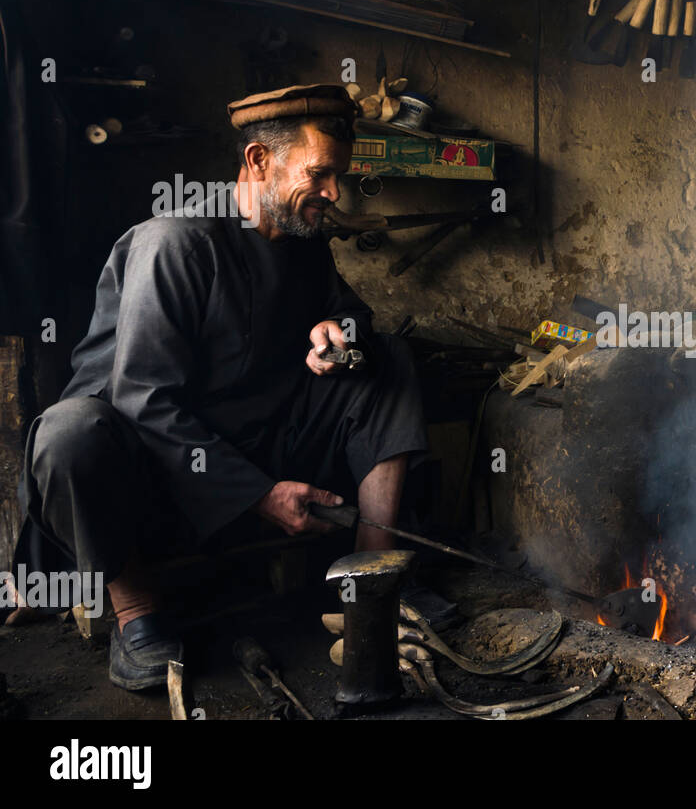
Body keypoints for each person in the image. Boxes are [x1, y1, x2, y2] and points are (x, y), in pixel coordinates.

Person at [17, 84, 434, 689]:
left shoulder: (301, 240)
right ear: (259, 161)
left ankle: (369, 585)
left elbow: (354, 319)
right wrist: (261, 494)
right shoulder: (176, 242)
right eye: (319, 175)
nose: (333, 193)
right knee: (70, 432)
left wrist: (336, 335)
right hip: (152, 468)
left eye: (338, 177)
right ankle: (138, 619)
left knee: (388, 356)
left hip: (259, 437)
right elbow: (143, 400)